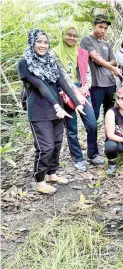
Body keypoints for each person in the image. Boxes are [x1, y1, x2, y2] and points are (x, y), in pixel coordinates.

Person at [17, 29, 85, 194]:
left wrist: (77, 104)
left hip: (57, 110)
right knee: (45, 147)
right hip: (39, 111)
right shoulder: (24, 62)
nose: (42, 45)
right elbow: (40, 86)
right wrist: (56, 106)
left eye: (45, 42)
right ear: (32, 42)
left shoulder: (50, 60)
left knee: (56, 144)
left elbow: (63, 82)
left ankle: (51, 174)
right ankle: (40, 180)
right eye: (39, 42)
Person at [50, 24, 104, 171]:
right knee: (72, 127)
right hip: (65, 91)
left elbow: (87, 72)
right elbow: (62, 76)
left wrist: (86, 86)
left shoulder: (82, 52)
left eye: (74, 35)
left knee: (92, 123)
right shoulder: (54, 53)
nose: (72, 38)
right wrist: (76, 94)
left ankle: (93, 155)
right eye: (69, 34)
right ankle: (77, 158)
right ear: (63, 35)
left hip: (82, 89)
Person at [80, 14, 121, 121]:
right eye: (100, 27)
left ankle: (109, 137)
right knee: (94, 116)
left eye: (105, 28)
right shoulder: (86, 40)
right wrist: (112, 68)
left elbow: (114, 61)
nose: (103, 30)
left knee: (110, 115)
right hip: (96, 85)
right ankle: (93, 138)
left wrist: (102, 62)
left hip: (111, 84)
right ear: (94, 26)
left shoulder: (106, 44)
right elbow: (97, 59)